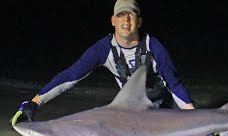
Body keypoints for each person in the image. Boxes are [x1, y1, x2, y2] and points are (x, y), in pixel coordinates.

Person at [10, 0, 195, 126]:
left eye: (131, 15)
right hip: (131, 110)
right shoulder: (103, 49)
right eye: (121, 15)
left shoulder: (154, 47)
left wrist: (194, 118)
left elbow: (174, 85)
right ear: (113, 20)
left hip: (164, 109)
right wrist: (34, 103)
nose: (126, 20)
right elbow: (69, 77)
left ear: (139, 22)